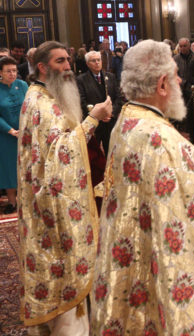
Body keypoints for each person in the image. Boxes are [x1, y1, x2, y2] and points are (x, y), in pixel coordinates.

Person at [91, 39, 194, 335]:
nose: (180, 81)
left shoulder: (128, 118)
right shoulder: (158, 137)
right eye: (175, 75)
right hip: (166, 245)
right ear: (161, 85)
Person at [18, 41, 112, 333]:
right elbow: (61, 153)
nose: (68, 67)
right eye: (60, 61)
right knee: (63, 264)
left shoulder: (44, 95)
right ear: (42, 67)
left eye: (68, 60)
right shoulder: (42, 103)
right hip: (52, 204)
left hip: (48, 196)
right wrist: (93, 119)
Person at [0, 56, 27, 214]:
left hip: (25, 134)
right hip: (6, 135)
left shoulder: (22, 85)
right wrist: (10, 130)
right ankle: (12, 201)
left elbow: (30, 106)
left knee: (26, 166)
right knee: (9, 168)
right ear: (0, 73)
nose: (12, 74)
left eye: (14, 70)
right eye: (8, 71)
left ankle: (26, 200)